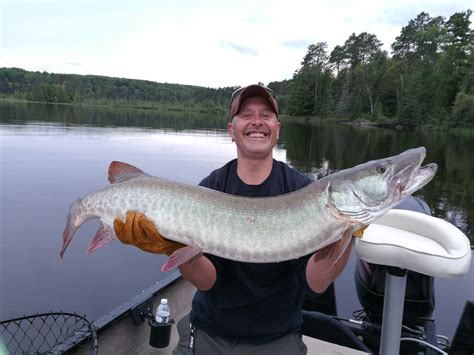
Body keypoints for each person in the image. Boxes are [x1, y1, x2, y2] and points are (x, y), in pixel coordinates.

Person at [114, 84, 354, 354]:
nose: (257, 122)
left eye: (266, 115)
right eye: (246, 114)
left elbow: (317, 282)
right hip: (210, 331)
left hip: (277, 339)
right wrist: (176, 246)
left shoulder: (303, 191)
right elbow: (207, 282)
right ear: (231, 130)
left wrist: (346, 232)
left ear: (277, 128)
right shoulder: (212, 186)